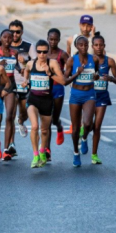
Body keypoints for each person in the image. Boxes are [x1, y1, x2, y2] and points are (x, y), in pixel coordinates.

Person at [21, 40, 67, 168]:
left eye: (44, 52)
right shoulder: (31, 63)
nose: (42, 54)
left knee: (45, 130)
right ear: (36, 52)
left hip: (47, 100)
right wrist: (25, 81)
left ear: (47, 52)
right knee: (35, 126)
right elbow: (26, 71)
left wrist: (50, 73)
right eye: (39, 51)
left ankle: (42, 151)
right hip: (33, 99)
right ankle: (35, 155)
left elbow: (63, 81)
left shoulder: (52, 63)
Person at [63, 36, 100, 167]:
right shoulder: (71, 61)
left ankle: (84, 138)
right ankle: (75, 152)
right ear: (76, 46)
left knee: (88, 123)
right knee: (75, 129)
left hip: (89, 94)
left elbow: (97, 73)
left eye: (86, 45)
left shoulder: (94, 59)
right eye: (81, 45)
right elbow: (64, 80)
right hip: (75, 95)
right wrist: (77, 74)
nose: (84, 47)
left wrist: (96, 76)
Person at [90, 32, 116, 165]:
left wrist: (111, 78)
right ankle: (83, 138)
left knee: (97, 126)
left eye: (100, 45)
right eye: (96, 45)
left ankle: (94, 154)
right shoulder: (87, 60)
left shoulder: (110, 61)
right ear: (92, 46)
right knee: (87, 124)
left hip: (102, 95)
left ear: (104, 46)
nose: (98, 47)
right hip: (89, 96)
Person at [8, 20, 36, 143]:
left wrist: (24, 63)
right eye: (12, 32)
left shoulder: (28, 46)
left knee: (23, 113)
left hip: (24, 83)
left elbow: (36, 63)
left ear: (22, 32)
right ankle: (11, 145)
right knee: (11, 114)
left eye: (17, 32)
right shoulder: (5, 46)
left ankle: (20, 121)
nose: (14, 34)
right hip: (10, 84)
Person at [0, 29, 19, 161]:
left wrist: (22, 67)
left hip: (10, 84)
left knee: (9, 116)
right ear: (1, 38)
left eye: (10, 38)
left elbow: (17, 67)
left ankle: (6, 149)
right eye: (5, 37)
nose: (7, 40)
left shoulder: (14, 53)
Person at [46, 28, 69, 157]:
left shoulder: (62, 54)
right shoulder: (44, 53)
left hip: (58, 88)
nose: (53, 41)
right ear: (47, 39)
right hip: (45, 89)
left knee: (54, 119)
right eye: (51, 39)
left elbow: (71, 66)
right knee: (47, 120)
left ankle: (59, 127)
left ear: (59, 40)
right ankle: (48, 150)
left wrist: (64, 75)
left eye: (55, 39)